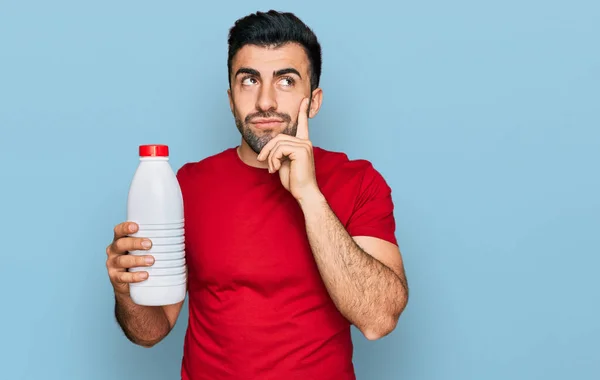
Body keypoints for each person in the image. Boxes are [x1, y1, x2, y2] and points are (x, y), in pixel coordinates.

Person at [105, 10, 409, 380]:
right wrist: (125, 290)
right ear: (231, 99)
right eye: (249, 80)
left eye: (285, 81)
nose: (265, 101)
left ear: (313, 101)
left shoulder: (359, 181)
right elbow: (150, 332)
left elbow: (378, 318)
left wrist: (309, 195)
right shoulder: (185, 185)